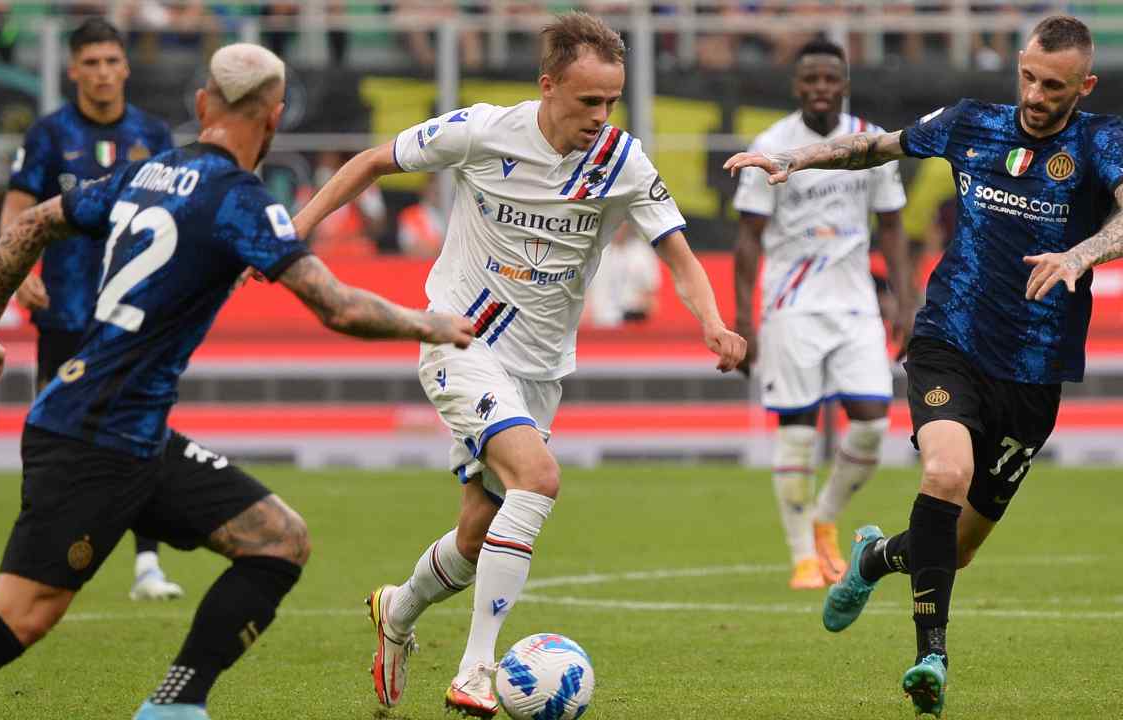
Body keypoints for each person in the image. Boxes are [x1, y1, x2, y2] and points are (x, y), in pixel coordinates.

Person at [0, 42, 474, 720]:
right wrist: (428, 323)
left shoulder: (148, 172)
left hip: (132, 431)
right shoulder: (238, 200)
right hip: (92, 439)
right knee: (17, 619)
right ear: (274, 118)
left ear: (203, 105)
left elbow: (31, 223)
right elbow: (339, 307)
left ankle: (174, 706)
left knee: (279, 539)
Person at [292, 12, 746, 716]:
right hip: (460, 340)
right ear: (547, 86)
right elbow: (372, 162)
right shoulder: (481, 131)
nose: (601, 116)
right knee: (539, 478)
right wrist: (292, 235)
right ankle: (476, 670)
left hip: (540, 370)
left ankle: (398, 612)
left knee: (476, 536)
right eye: (588, 100)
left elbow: (680, 257)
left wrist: (713, 322)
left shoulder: (621, 162)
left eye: (611, 101)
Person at [725, 14, 1123, 718]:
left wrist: (1081, 253)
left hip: (1034, 369)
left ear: (1084, 86)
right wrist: (797, 160)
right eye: (1029, 78)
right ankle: (930, 656)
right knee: (944, 474)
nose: (1035, 96)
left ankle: (874, 559)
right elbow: (877, 147)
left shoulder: (1101, 141)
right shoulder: (972, 122)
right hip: (949, 342)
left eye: (1054, 87)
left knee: (956, 548)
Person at [2, 18, 182, 602]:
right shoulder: (49, 134)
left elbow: (177, 216)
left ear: (125, 67)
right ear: (73, 69)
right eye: (92, 62)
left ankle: (148, 565)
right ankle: (35, 562)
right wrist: (18, 272)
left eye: (111, 61)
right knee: (50, 436)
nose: (103, 72)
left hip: (133, 316)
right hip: (64, 310)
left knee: (143, 431)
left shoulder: (153, 135)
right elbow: (17, 209)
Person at [731, 38, 916, 591]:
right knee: (797, 431)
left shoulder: (871, 141)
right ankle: (803, 559)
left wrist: (907, 302)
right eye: (809, 78)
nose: (819, 87)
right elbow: (748, 238)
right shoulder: (770, 146)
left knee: (873, 423)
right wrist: (744, 319)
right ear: (796, 86)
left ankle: (824, 518)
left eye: (829, 78)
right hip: (790, 305)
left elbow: (892, 228)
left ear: (844, 85)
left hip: (856, 302)